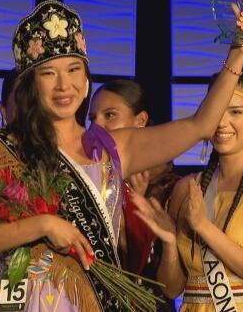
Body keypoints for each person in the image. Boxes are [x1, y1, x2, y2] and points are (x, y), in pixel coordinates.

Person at [0, 0, 243, 311]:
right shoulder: (1, 148)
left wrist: (238, 52)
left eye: (73, 69)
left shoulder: (112, 147)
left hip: (88, 301)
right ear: (31, 83)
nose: (63, 85)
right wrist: (44, 225)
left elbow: (201, 125)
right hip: (22, 299)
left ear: (85, 78)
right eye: (48, 73)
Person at [132, 71, 243, 312]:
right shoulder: (187, 188)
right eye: (217, 110)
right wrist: (169, 243)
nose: (221, 122)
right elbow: (172, 288)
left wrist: (203, 227)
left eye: (236, 112)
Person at [89, 79, 180, 311]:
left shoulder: (172, 188)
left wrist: (133, 206)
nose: (97, 127)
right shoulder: (88, 180)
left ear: (141, 121)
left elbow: (171, 287)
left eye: (110, 115)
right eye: (93, 118)